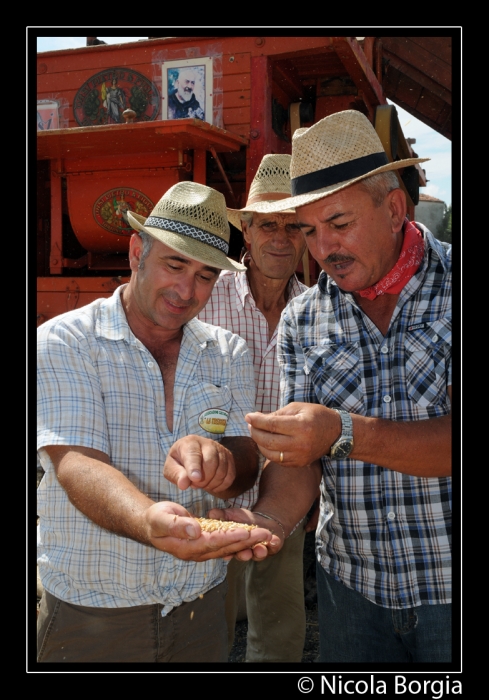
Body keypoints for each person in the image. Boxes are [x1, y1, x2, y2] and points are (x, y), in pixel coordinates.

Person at [223, 110, 452, 663]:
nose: (322, 247)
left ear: (395, 208)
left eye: (339, 222)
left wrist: (340, 431)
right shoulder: (306, 319)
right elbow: (301, 461)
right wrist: (269, 520)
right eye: (308, 229)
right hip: (351, 590)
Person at [36, 182, 277, 663]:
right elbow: (77, 463)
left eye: (206, 276)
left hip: (200, 608)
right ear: (135, 252)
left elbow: (247, 457)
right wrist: (149, 522)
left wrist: (224, 463)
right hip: (94, 613)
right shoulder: (65, 340)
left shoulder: (227, 352)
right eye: (174, 265)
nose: (187, 291)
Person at [198, 154, 314, 662]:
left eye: (294, 225)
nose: (281, 238)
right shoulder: (208, 297)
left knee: (281, 622)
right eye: (269, 224)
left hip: (286, 485)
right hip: (216, 484)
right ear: (246, 230)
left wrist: (314, 494)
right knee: (207, 620)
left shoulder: (316, 312)